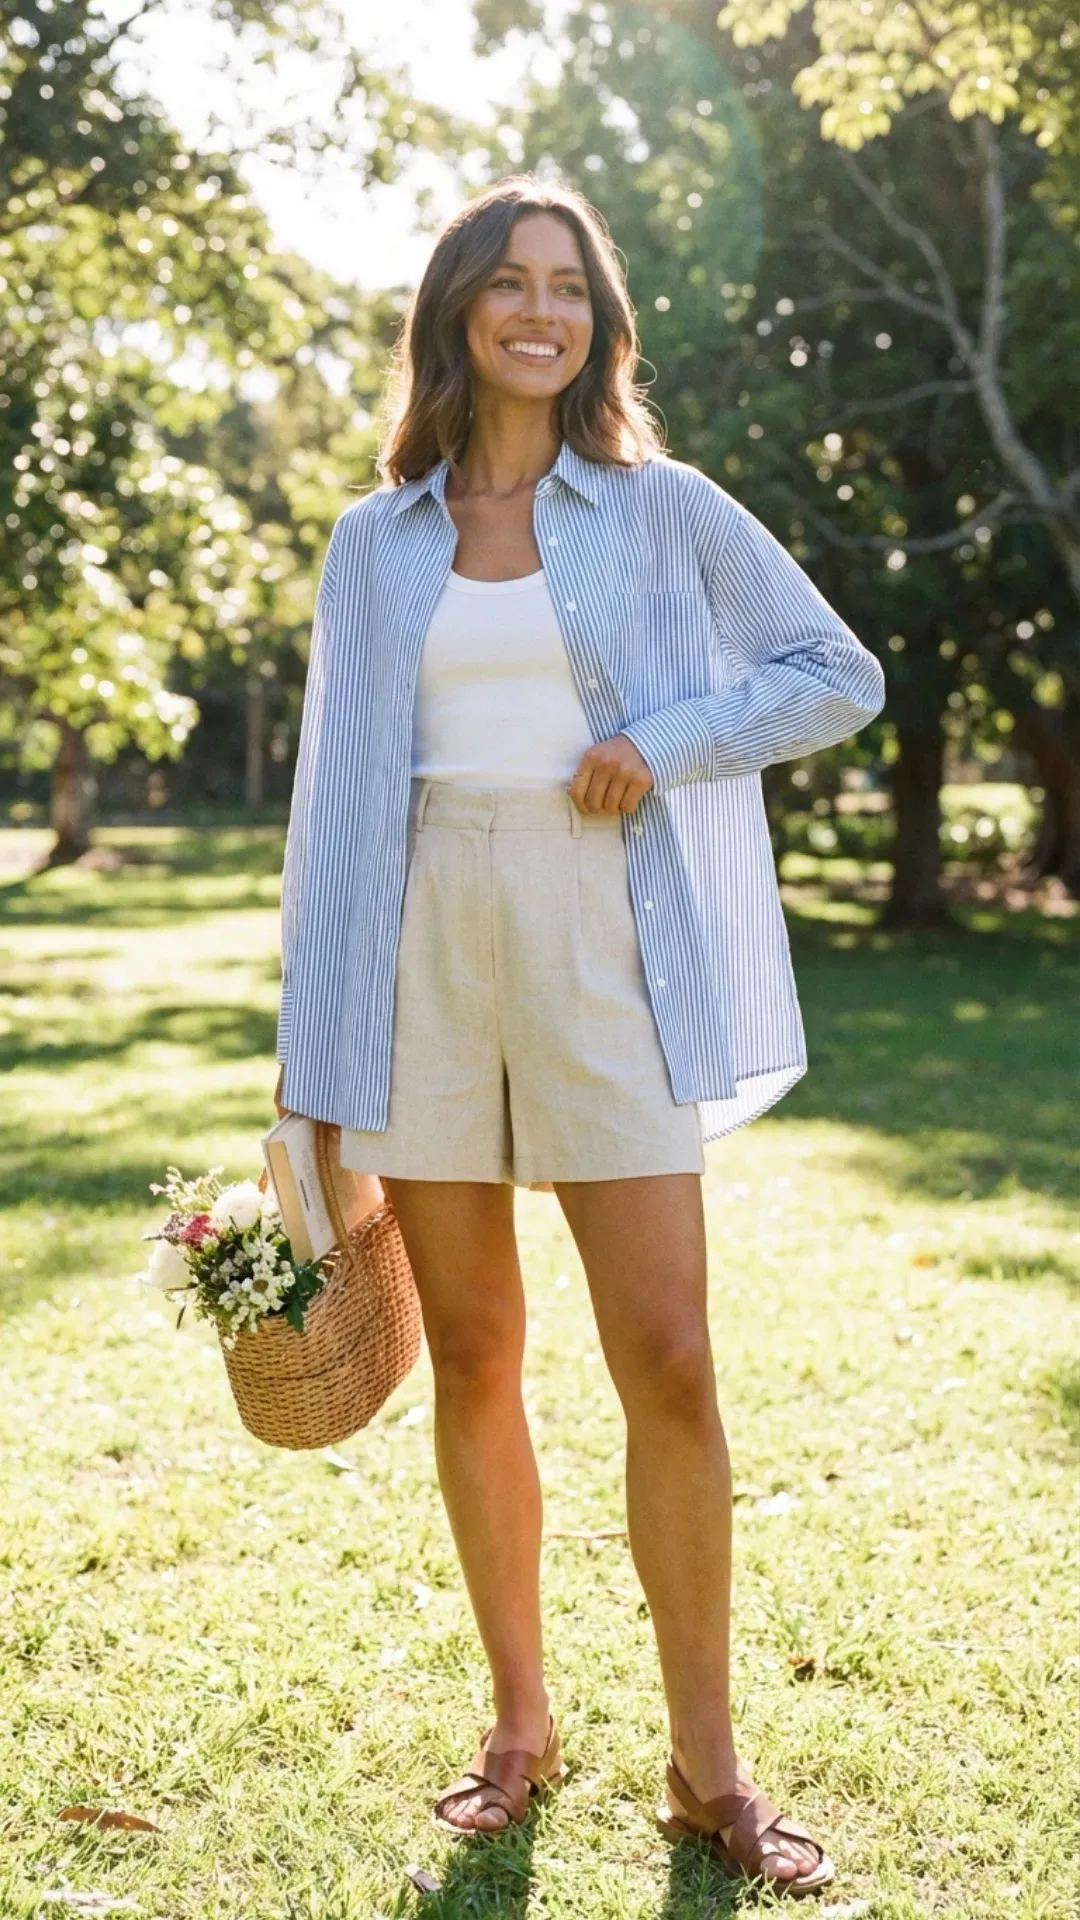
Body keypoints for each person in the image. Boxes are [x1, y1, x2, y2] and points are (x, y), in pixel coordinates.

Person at [276, 175, 885, 1897]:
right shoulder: (375, 540)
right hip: (416, 945)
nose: (538, 311)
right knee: (475, 1352)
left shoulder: (663, 506)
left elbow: (834, 672)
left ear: (597, 321)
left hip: (604, 930)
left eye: (567, 286)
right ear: (458, 311)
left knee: (670, 1357)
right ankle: (520, 1724)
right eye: (509, 282)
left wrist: (664, 741)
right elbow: (336, 801)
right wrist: (310, 1062)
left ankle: (708, 1766)